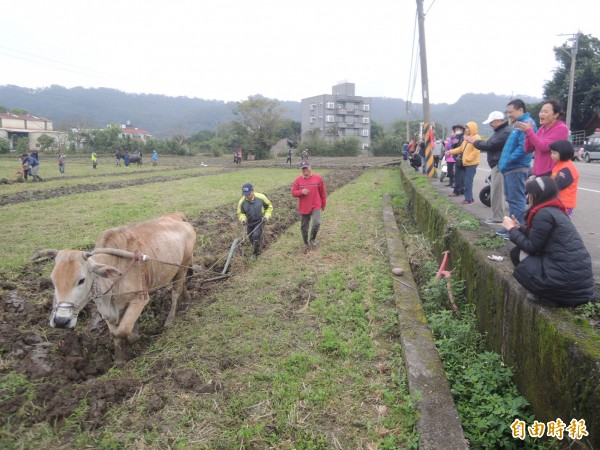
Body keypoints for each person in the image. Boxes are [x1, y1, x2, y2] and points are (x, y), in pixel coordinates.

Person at [501, 176, 594, 307]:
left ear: (535, 195)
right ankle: (548, 290)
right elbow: (540, 236)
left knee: (518, 254)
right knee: (520, 253)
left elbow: (532, 247)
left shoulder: (543, 214)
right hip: (577, 281)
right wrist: (519, 228)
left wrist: (511, 230)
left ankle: (546, 294)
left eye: (529, 194)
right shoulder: (555, 210)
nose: (527, 197)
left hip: (566, 283)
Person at [497, 99, 536, 239]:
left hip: (516, 168)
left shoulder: (527, 124)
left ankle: (517, 230)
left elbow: (524, 148)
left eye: (511, 112)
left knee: (517, 199)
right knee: (511, 199)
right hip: (510, 168)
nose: (509, 115)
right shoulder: (517, 125)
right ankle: (511, 228)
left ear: (520, 110)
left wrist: (508, 160)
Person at [464, 111, 510, 223]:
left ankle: (498, 218)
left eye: (492, 122)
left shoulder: (504, 133)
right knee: (495, 192)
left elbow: (490, 145)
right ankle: (496, 217)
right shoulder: (500, 131)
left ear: (498, 121)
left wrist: (475, 141)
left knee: (497, 193)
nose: (490, 124)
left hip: (499, 165)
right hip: (496, 164)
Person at [515, 99, 569, 177]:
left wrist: (529, 131)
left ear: (556, 115)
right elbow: (528, 149)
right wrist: (527, 133)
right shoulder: (542, 129)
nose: (541, 114)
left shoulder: (561, 128)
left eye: (545, 112)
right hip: (538, 173)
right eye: (541, 111)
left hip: (551, 173)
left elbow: (544, 147)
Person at [292, 161, 327, 252]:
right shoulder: (297, 181)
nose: (305, 170)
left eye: (306, 167)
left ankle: (312, 239)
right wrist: (301, 191)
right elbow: (293, 193)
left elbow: (322, 192)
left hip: (316, 205)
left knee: (317, 222)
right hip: (304, 207)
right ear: (301, 170)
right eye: (303, 168)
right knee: (304, 226)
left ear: (310, 168)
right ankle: (305, 243)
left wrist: (323, 204)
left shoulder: (318, 178)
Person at [446, 122, 480, 204]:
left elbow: (476, 151)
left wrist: (468, 159)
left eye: (468, 128)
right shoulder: (467, 138)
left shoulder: (476, 137)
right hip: (466, 163)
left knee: (468, 182)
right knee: (466, 181)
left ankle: (468, 199)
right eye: (466, 128)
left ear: (472, 128)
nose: (466, 129)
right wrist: (450, 152)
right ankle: (470, 198)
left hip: (471, 164)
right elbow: (461, 148)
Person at [237, 183, 273, 260]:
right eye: (245, 194)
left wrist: (267, 216)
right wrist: (243, 218)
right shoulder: (242, 202)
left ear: (252, 191)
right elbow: (240, 213)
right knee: (251, 238)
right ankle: (257, 246)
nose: (247, 196)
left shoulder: (261, 197)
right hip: (249, 222)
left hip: (260, 220)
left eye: (249, 194)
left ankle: (255, 254)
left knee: (256, 236)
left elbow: (269, 207)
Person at [550, 140, 579, 217]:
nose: (552, 155)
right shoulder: (559, 165)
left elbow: (557, 184)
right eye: (551, 153)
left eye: (555, 153)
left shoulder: (567, 168)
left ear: (564, 152)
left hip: (564, 204)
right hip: (557, 202)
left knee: (561, 226)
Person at [447, 125, 465, 195]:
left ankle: (457, 190)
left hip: (461, 158)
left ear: (462, 129)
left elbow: (461, 149)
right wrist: (454, 144)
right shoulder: (457, 137)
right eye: (456, 129)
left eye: (459, 129)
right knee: (460, 175)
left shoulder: (463, 137)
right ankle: (461, 189)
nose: (457, 130)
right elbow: (452, 147)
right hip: (457, 158)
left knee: (459, 175)